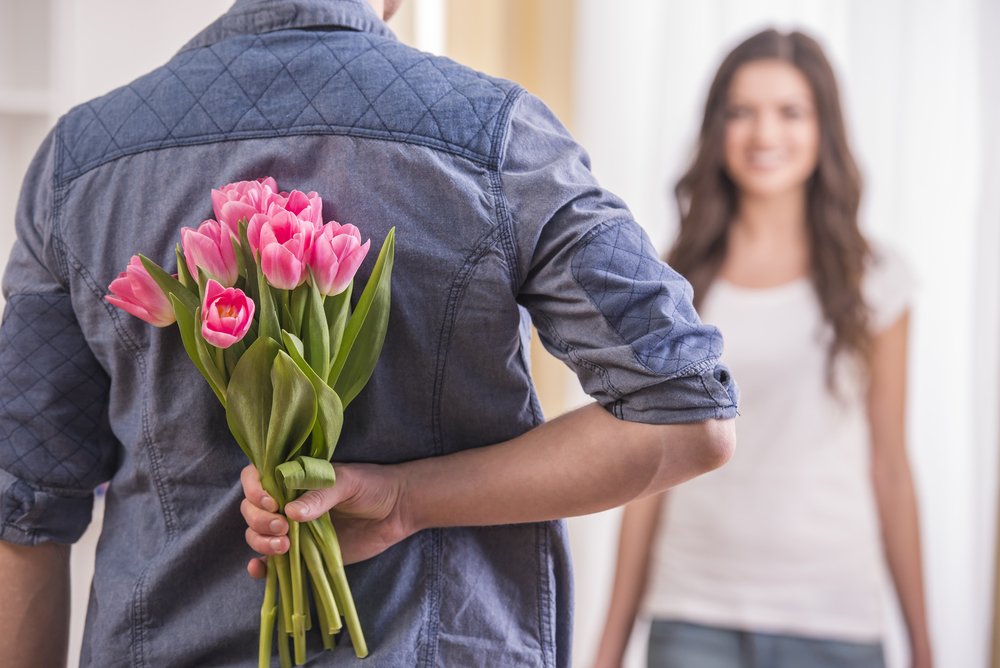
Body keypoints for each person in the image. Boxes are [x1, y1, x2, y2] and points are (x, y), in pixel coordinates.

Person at [0, 1, 739, 666]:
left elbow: (24, 509)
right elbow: (688, 417)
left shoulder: (78, 164)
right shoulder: (497, 137)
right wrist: (407, 499)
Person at [592, 28, 933, 668]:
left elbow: (890, 465)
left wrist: (923, 642)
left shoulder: (878, 278)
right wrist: (608, 646)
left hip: (833, 618)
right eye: (741, 112)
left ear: (824, 128)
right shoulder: (673, 281)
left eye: (790, 112)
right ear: (716, 127)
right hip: (693, 612)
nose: (764, 134)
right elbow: (649, 473)